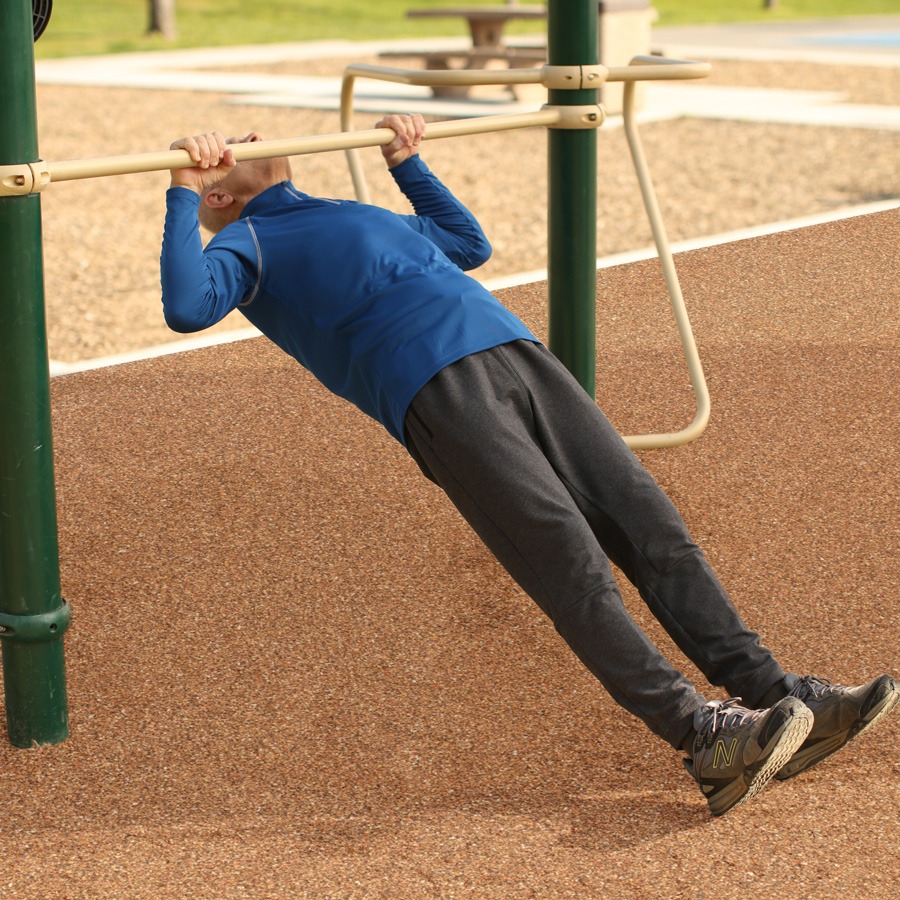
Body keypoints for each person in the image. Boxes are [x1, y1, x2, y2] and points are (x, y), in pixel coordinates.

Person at [159, 114, 896, 816]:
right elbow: (187, 308)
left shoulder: (345, 206)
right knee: (566, 558)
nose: (250, 134)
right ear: (220, 189)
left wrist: (406, 164)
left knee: (647, 519)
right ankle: (700, 736)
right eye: (232, 142)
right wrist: (181, 190)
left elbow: (465, 243)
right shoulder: (245, 242)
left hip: (514, 350)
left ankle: (773, 690)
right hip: (435, 389)